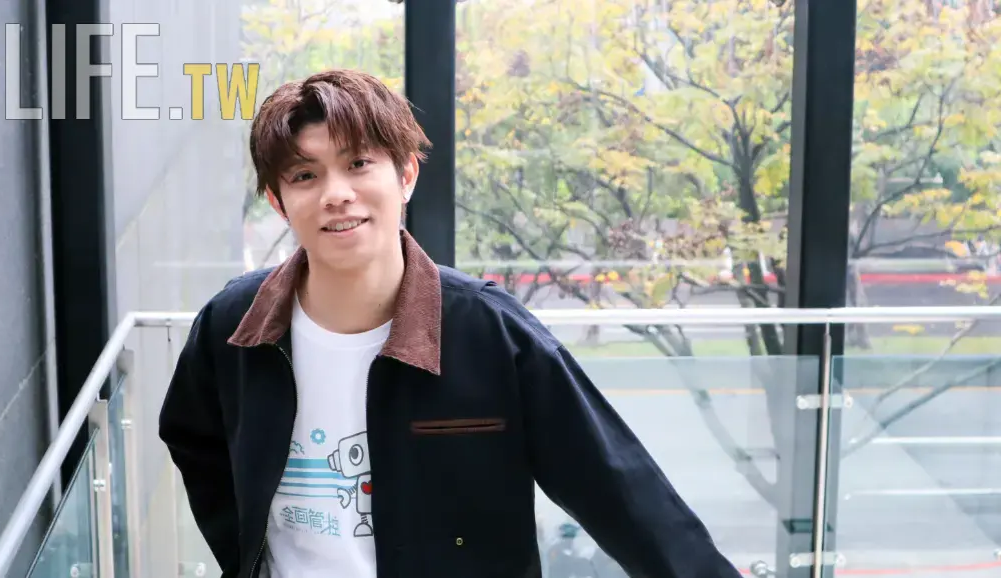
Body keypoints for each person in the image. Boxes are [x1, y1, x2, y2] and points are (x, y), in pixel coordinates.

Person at [158, 69, 740, 578]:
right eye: (305, 176)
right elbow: (193, 439)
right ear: (278, 200)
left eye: (358, 164)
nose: (337, 194)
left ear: (406, 175)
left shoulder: (490, 332)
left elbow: (619, 488)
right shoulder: (233, 324)